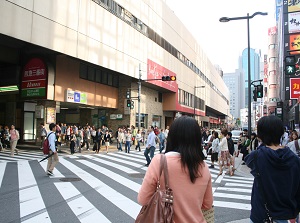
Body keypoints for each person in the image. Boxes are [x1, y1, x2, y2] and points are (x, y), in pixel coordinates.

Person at [137, 116, 213, 222]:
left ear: (172, 137)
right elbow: (207, 204)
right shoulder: (203, 167)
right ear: (196, 139)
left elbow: (143, 199)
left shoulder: (160, 161)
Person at [245, 116, 300, 222]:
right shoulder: (294, 159)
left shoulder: (257, 156)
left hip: (262, 215)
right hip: (288, 215)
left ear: (260, 135)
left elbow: (248, 161)